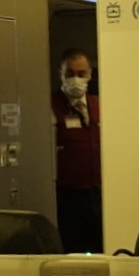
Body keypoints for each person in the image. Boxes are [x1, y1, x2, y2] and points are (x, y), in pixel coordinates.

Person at [52, 48, 102, 254]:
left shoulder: (100, 105)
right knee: (73, 252)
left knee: (101, 249)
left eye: (81, 74)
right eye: (70, 74)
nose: (76, 79)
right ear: (60, 75)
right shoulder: (49, 106)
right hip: (68, 197)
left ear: (90, 74)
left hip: (98, 194)